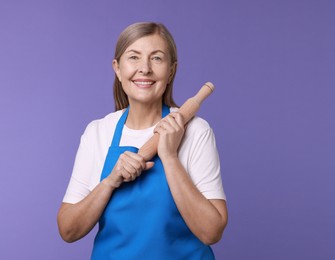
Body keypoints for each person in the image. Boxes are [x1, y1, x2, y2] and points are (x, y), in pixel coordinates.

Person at [57, 22, 227, 259]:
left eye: (157, 58)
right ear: (117, 68)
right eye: (134, 57)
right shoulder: (98, 132)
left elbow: (211, 232)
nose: (144, 69)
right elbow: (68, 230)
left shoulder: (196, 131)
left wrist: (169, 157)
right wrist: (110, 181)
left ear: (171, 70)